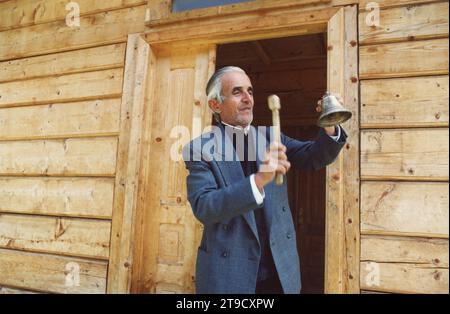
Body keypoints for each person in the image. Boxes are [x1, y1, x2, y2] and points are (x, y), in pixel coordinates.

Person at [183, 66, 347, 294]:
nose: (247, 98)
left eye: (250, 91)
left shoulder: (272, 136)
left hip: (279, 271)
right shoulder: (199, 149)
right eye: (237, 92)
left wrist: (330, 124)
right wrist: (259, 179)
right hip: (229, 274)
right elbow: (205, 207)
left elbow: (314, 157)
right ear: (215, 105)